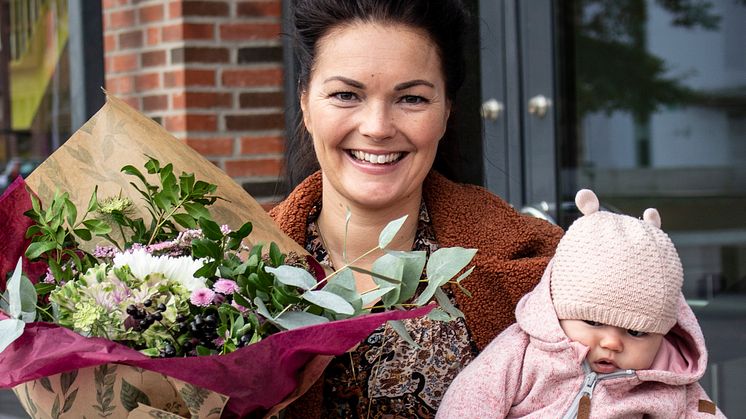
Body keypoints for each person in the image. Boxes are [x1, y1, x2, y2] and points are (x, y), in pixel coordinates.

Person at [268, 0, 563, 417]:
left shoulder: (541, 272)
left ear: (446, 112)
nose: (377, 127)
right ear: (305, 104)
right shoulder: (229, 272)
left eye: (411, 98)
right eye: (346, 94)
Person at [437, 189, 726, 418]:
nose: (612, 342)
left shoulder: (669, 379)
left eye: (636, 332)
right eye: (593, 322)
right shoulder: (522, 354)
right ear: (557, 310)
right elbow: (470, 401)